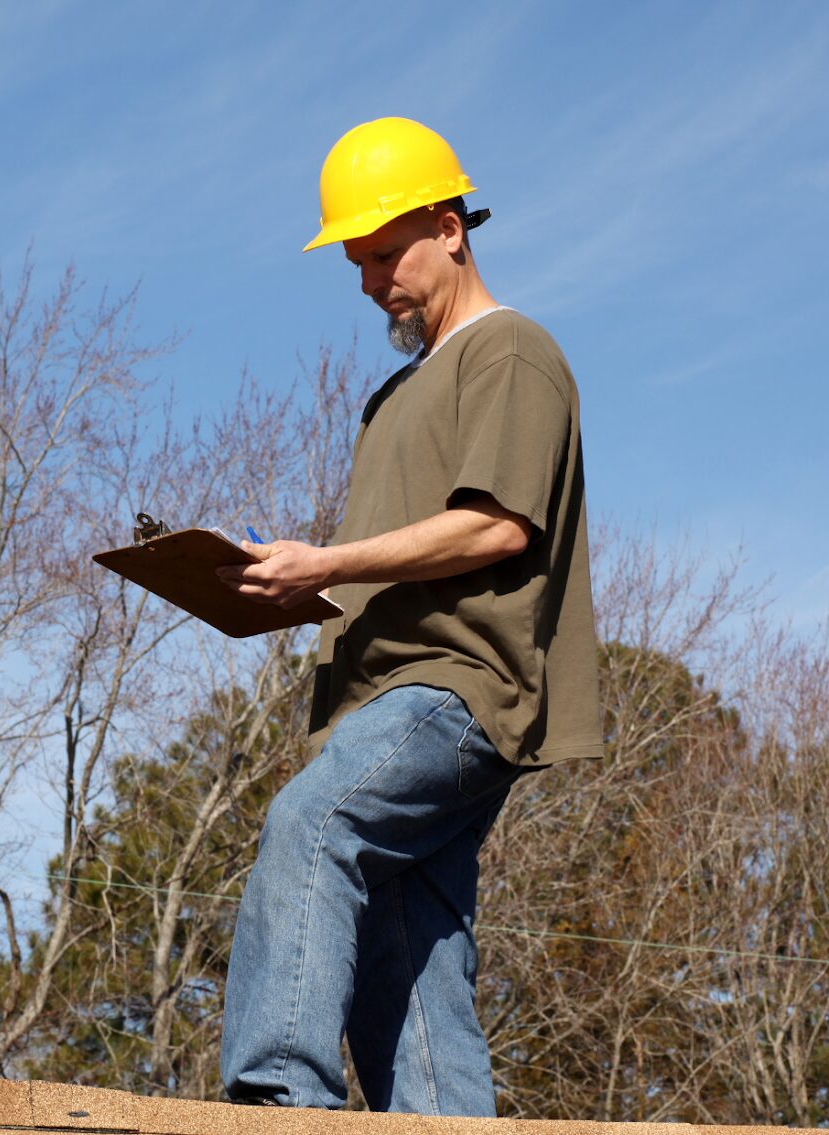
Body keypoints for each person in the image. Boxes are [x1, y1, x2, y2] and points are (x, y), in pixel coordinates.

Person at [215, 117, 603, 1116]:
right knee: (409, 947)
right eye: (355, 263)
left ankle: (278, 1097)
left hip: (455, 689)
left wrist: (332, 560)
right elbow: (404, 558)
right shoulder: (394, 395)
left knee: (312, 822)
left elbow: (496, 527)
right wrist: (303, 588)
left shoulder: (509, 350)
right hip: (382, 694)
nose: (368, 281)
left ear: (449, 226)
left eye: (385, 253)